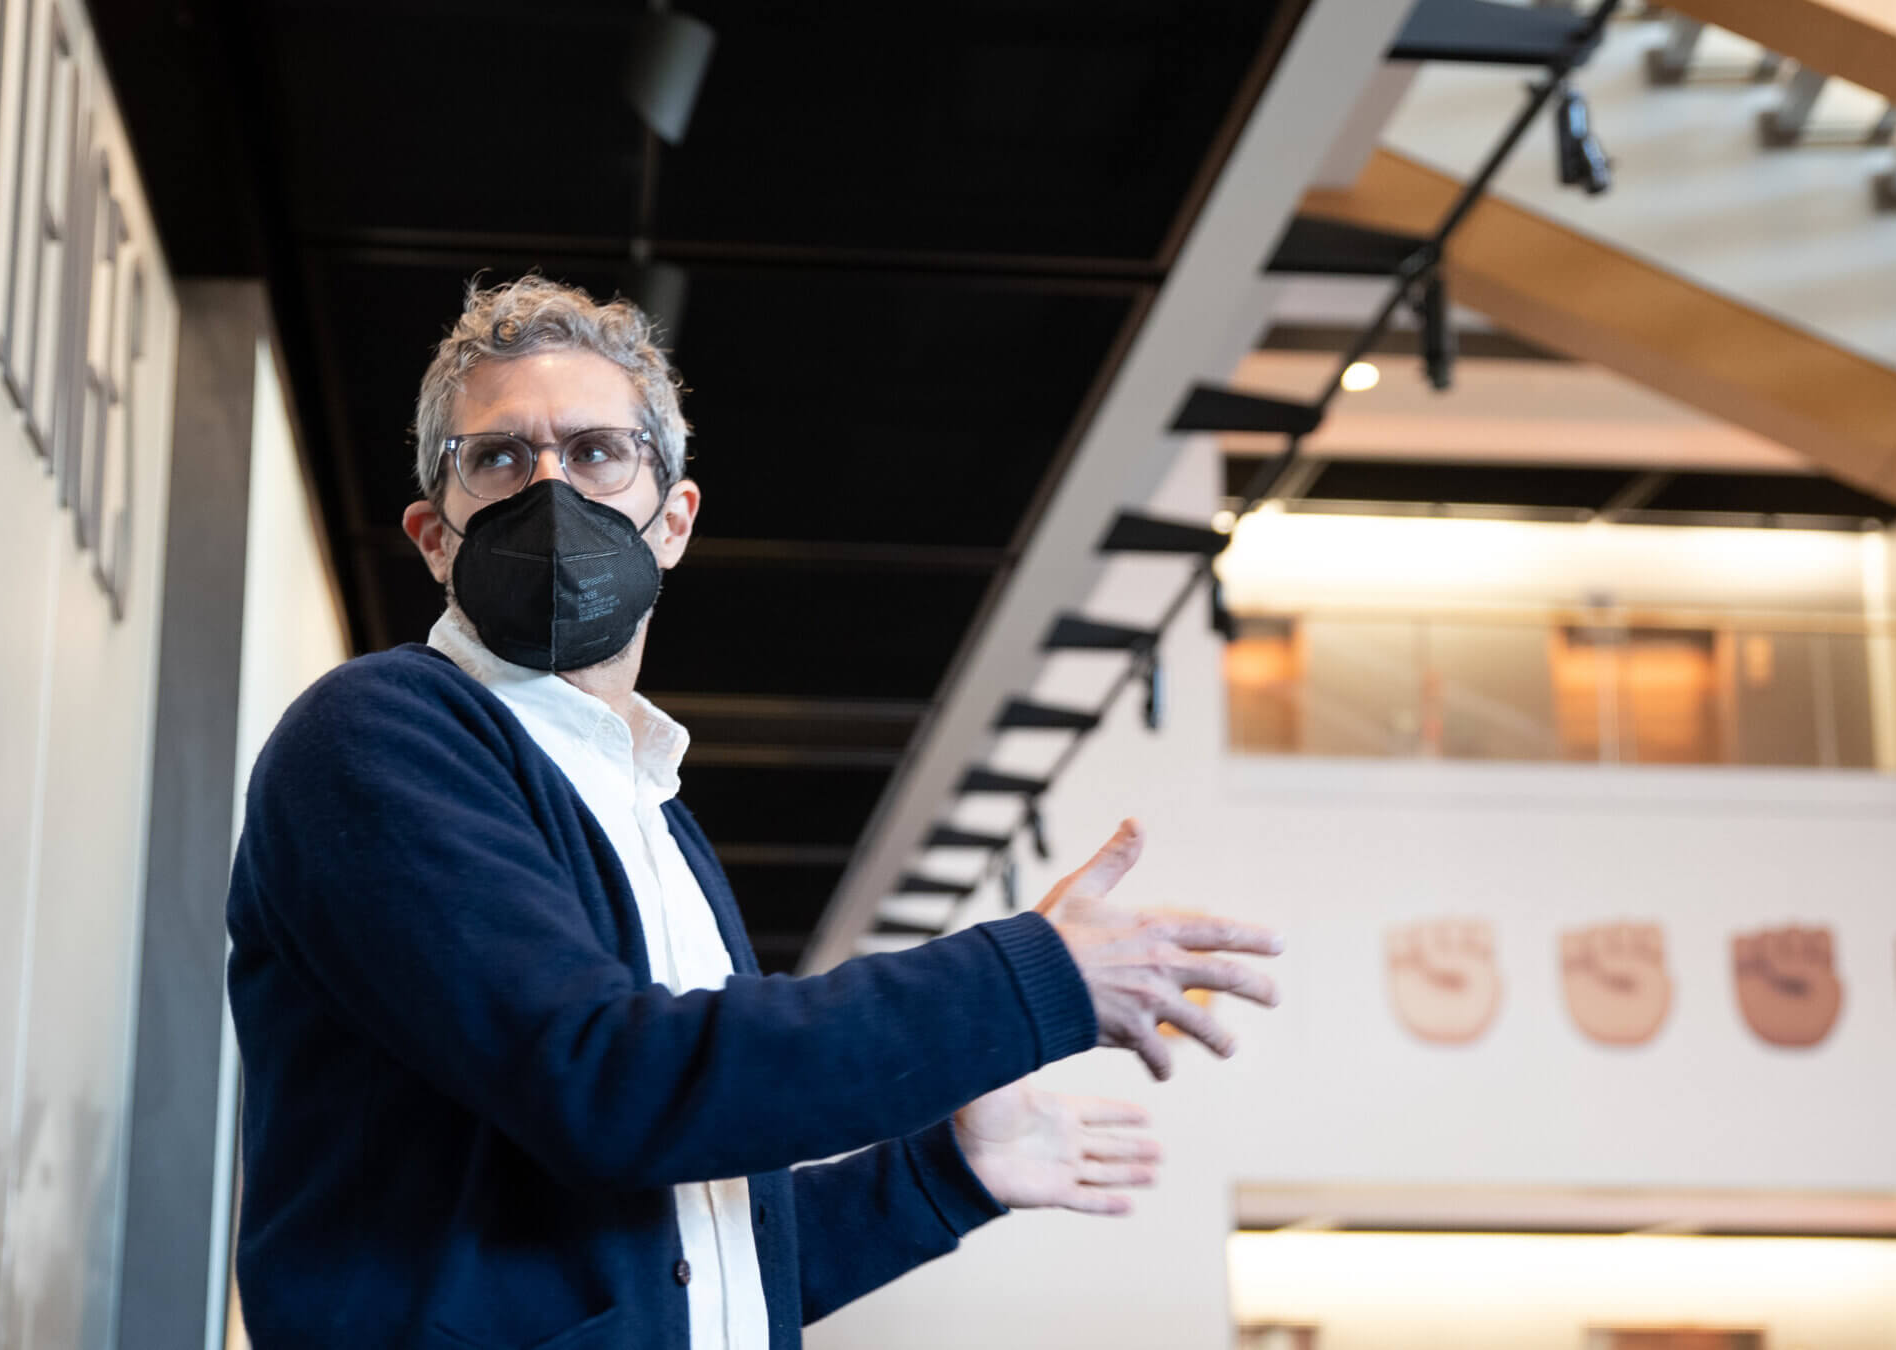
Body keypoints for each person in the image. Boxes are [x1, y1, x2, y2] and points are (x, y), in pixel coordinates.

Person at [223, 275, 1284, 1350]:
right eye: (498, 458)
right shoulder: (379, 735)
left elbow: (697, 1271)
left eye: (596, 453)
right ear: (433, 535)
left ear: (673, 520)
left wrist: (949, 1174)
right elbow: (607, 1085)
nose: (551, 487)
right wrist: (1026, 981)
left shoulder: (649, 810)